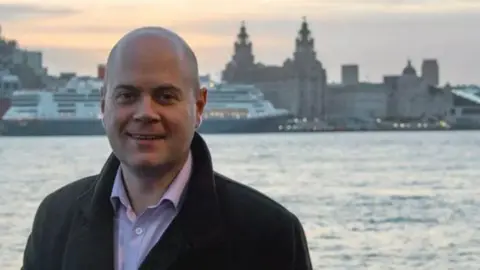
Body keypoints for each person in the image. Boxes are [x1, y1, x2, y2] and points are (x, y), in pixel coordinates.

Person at [22, 26, 312, 270]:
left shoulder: (270, 233)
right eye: (127, 95)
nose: (145, 113)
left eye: (165, 96)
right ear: (103, 105)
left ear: (199, 106)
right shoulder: (56, 217)